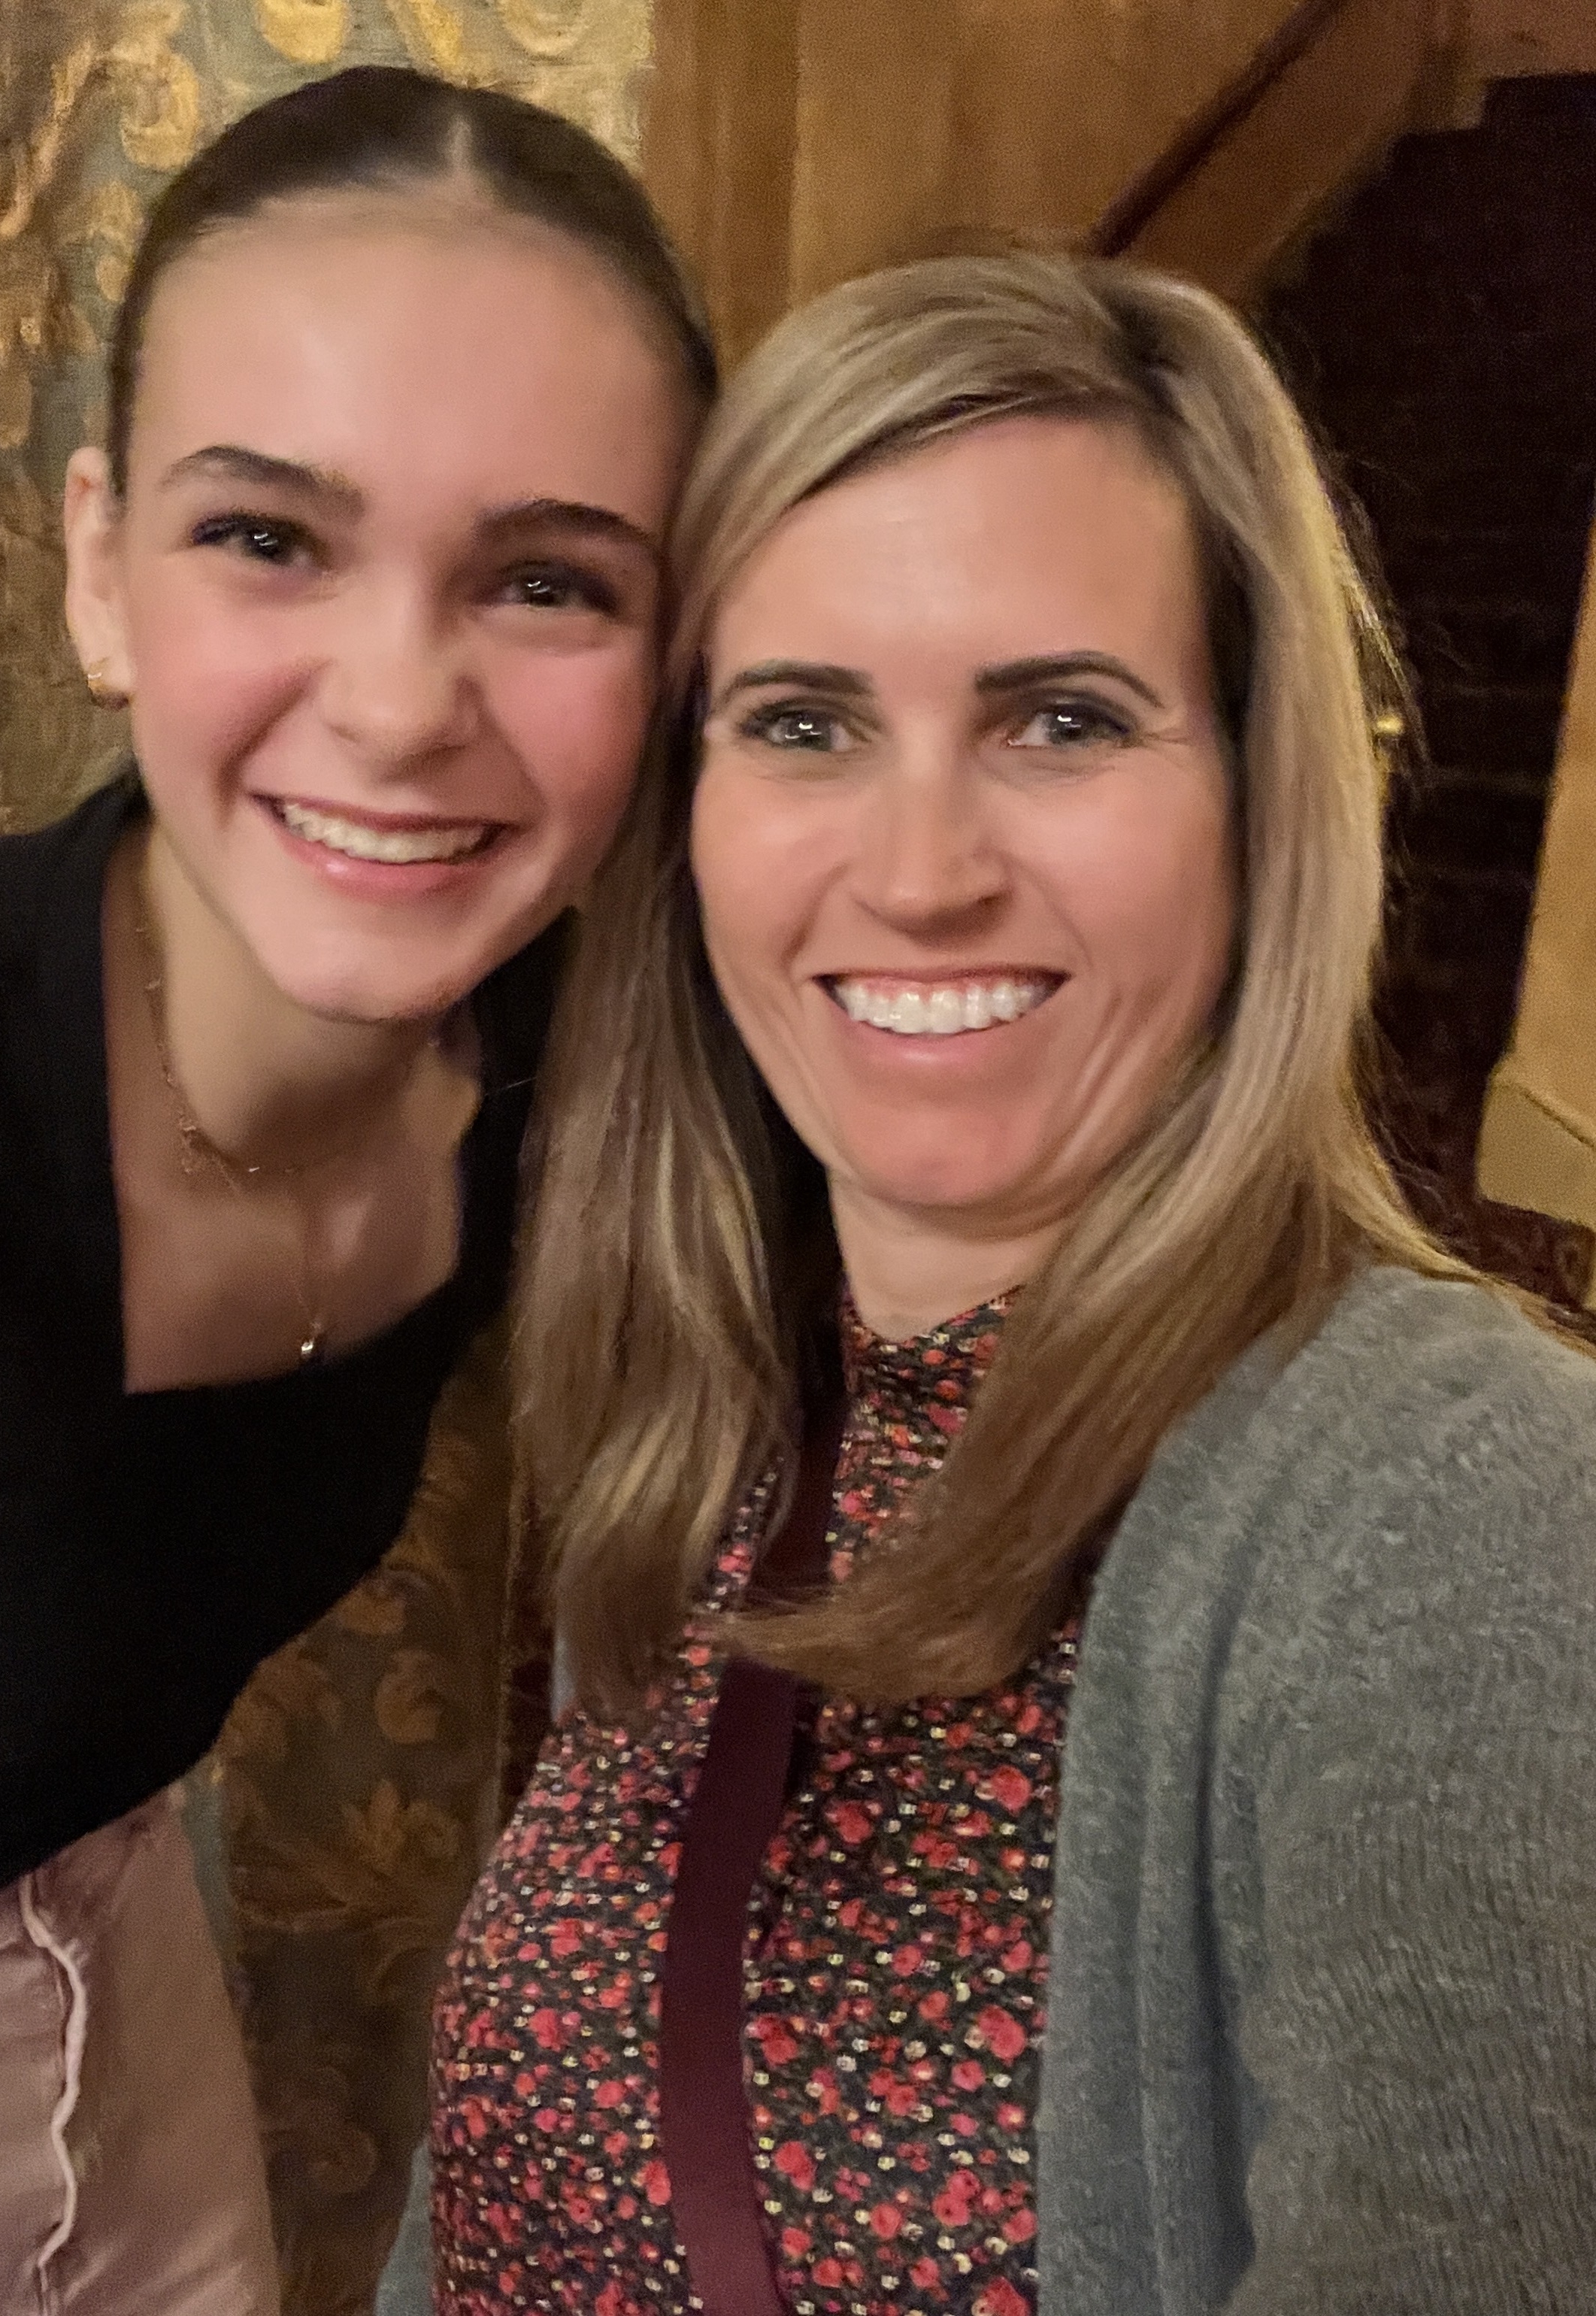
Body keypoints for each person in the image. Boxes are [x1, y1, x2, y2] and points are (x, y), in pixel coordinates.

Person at [430, 252, 1596, 2315]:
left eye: (1061, 720)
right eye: (803, 724)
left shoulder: (1467, 1510)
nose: (920, 873)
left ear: (1258, 798)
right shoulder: (718, 1401)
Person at [0, 63, 711, 2316]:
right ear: (99, 569)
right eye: (266, 538)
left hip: (118, 1950)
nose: (404, 702)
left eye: (547, 580)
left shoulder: (572, 1056)